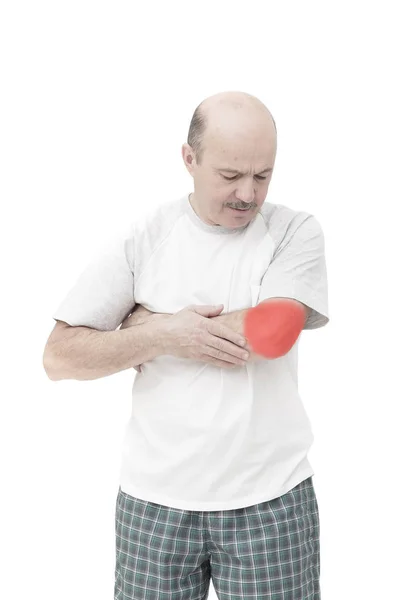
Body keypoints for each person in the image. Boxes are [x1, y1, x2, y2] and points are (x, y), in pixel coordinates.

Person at [43, 90, 329, 599]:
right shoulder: (145, 236)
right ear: (189, 159)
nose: (248, 193)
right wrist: (161, 333)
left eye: (262, 175)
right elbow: (59, 356)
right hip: (153, 504)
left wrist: (136, 329)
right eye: (230, 175)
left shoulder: (293, 231)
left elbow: (275, 331)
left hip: (271, 502)